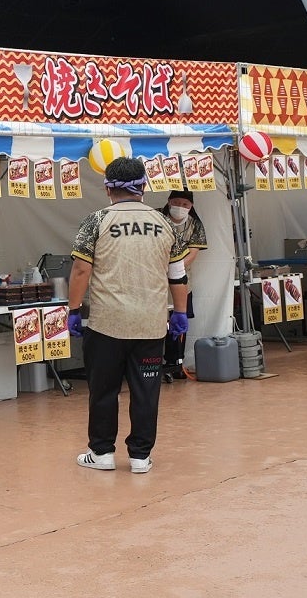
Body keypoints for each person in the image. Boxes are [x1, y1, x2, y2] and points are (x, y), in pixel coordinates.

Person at [66, 156, 192, 474]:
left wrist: (74, 310)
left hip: (106, 324)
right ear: (143, 188)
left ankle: (102, 453)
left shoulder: (96, 221)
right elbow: (177, 275)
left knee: (104, 389)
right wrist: (179, 313)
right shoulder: (166, 225)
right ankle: (140, 456)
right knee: (146, 391)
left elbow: (81, 270)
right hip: (150, 325)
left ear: (108, 189)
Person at [159, 189, 208, 382]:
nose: (180, 207)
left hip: (181, 281)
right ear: (169, 201)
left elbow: (193, 253)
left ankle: (175, 363)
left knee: (179, 323)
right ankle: (153, 362)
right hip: (154, 279)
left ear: (191, 207)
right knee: (157, 322)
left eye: (185, 205)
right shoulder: (156, 218)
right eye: (176, 202)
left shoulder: (195, 225)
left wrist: (173, 268)